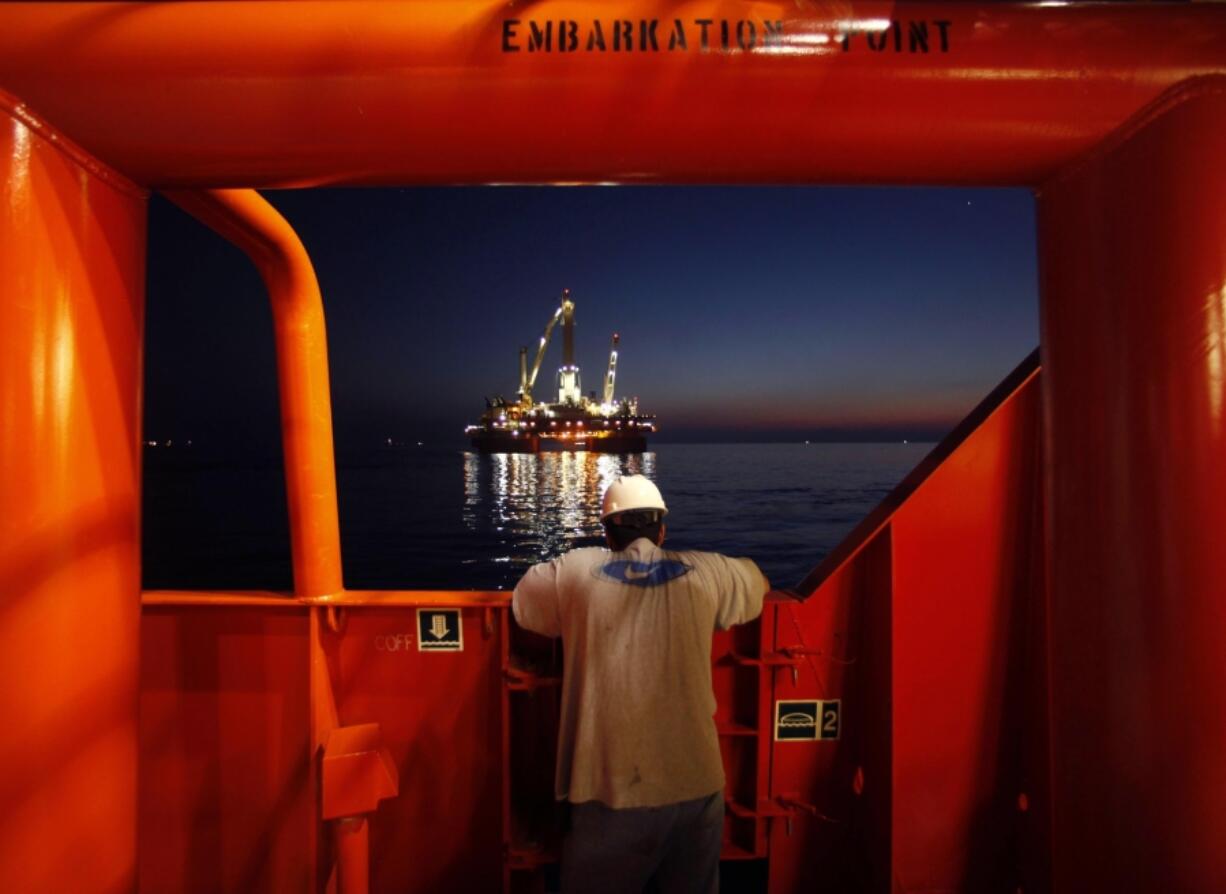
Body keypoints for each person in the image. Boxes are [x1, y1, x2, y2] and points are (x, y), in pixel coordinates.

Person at [512, 474, 769, 894]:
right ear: (662, 530)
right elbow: (759, 582)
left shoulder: (574, 572)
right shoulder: (709, 570)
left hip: (608, 794)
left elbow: (524, 605)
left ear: (607, 531)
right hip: (698, 787)